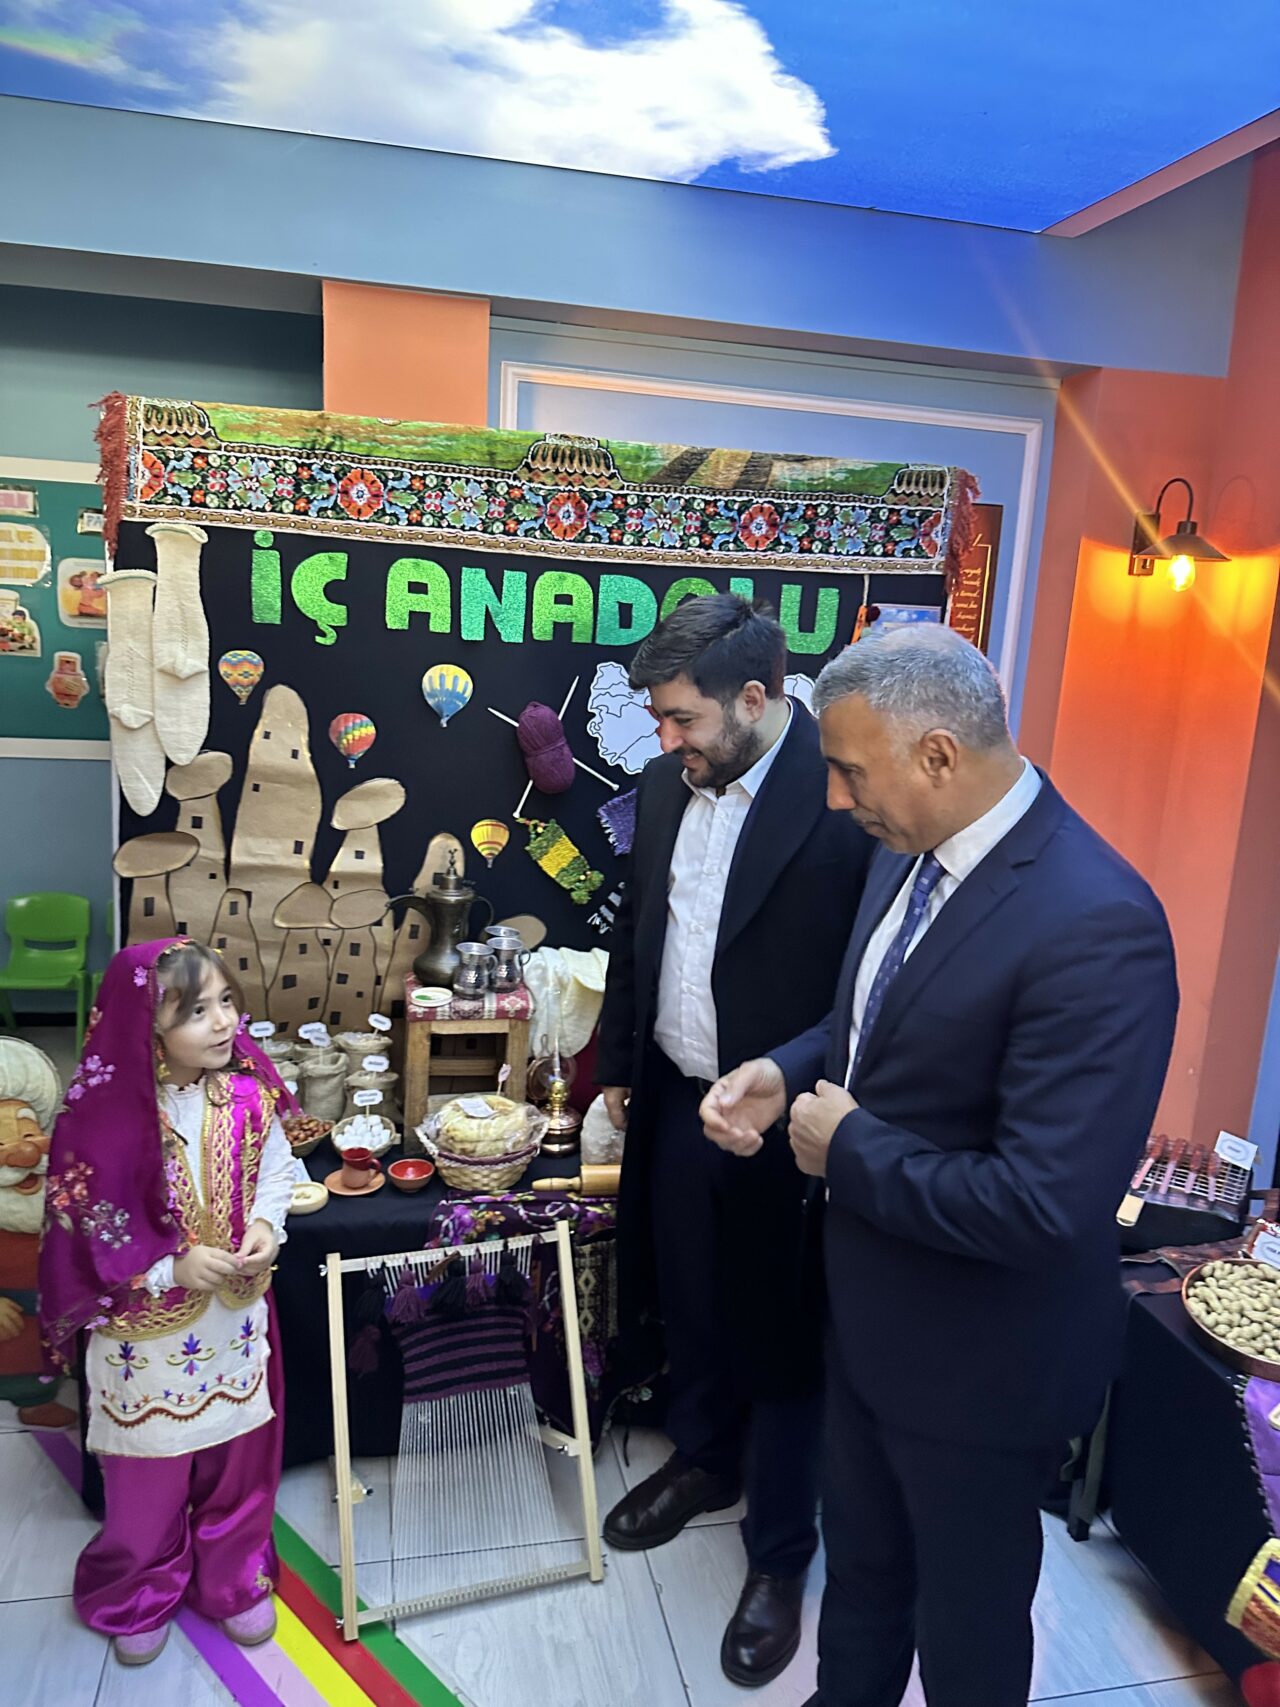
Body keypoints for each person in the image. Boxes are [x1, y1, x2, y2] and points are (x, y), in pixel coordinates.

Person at [702, 625, 1179, 1707]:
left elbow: (1045, 1203)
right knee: (862, 1587)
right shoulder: (906, 848)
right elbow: (872, 1029)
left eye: (847, 771)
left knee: (966, 1634)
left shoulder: (1097, 922)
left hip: (982, 1364)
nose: (834, 799)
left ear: (936, 755)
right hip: (866, 1326)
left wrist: (848, 1148)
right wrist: (784, 1072)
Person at [595, 592, 873, 1687]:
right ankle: (704, 1460)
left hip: (785, 1122)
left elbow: (863, 991)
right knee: (693, 1299)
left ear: (753, 698)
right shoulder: (667, 782)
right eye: (660, 719)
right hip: (675, 1097)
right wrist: (621, 1065)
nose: (667, 740)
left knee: (783, 1332)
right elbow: (640, 932)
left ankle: (780, 1553)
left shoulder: (841, 796)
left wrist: (796, 1088)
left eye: (683, 718)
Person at [39, 938, 297, 1669]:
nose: (223, 1022)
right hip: (141, 1339)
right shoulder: (102, 1119)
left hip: (235, 1322)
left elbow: (276, 1167)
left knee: (237, 1460)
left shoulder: (248, 1094)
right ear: (143, 1024)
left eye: (226, 1001)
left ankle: (233, 1575)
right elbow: (88, 1223)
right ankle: (138, 1586)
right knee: (146, 1475)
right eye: (195, 1010)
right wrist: (170, 1265)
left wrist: (267, 1225)